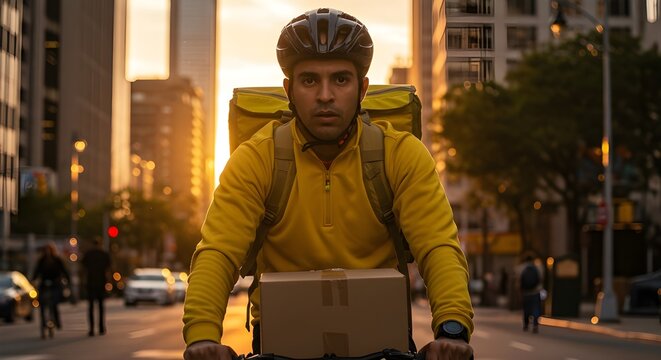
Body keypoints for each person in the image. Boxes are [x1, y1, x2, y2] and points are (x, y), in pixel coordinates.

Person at [183, 8, 473, 360]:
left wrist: (452, 328)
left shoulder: (401, 154)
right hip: (280, 346)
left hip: (383, 343)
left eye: (340, 79)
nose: (325, 95)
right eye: (309, 81)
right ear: (289, 89)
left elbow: (437, 246)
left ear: (362, 88)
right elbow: (219, 251)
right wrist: (201, 336)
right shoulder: (255, 158)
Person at [32, 242, 71, 331]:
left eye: (49, 250)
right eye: (45, 250)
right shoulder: (41, 260)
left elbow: (64, 270)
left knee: (54, 303)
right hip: (44, 283)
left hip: (55, 282)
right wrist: (33, 279)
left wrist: (67, 279)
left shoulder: (57, 259)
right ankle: (43, 322)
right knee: (42, 302)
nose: (47, 252)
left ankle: (57, 321)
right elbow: (37, 271)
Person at [81, 238, 111, 336]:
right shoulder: (104, 255)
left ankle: (91, 329)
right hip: (101, 283)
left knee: (91, 307)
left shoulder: (88, 254)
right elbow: (108, 267)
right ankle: (101, 327)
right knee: (101, 307)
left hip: (90, 283)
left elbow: (83, 266)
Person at [519, 255, 542, 333]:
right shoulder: (538, 268)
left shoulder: (521, 268)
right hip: (535, 292)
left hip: (526, 293)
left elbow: (519, 281)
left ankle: (526, 324)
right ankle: (535, 325)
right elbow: (540, 279)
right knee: (535, 309)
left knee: (526, 310)